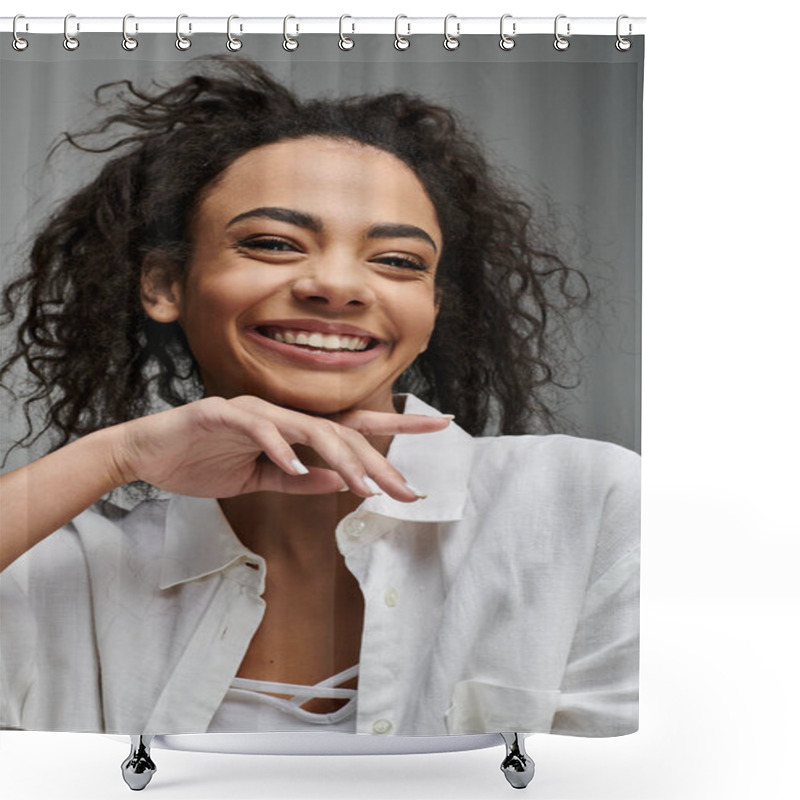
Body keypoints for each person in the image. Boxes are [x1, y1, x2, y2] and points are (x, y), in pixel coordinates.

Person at [0, 57, 639, 738]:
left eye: (397, 261)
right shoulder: (58, 575)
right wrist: (119, 453)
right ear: (164, 285)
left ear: (429, 310)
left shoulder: (590, 505)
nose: (337, 285)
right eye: (274, 243)